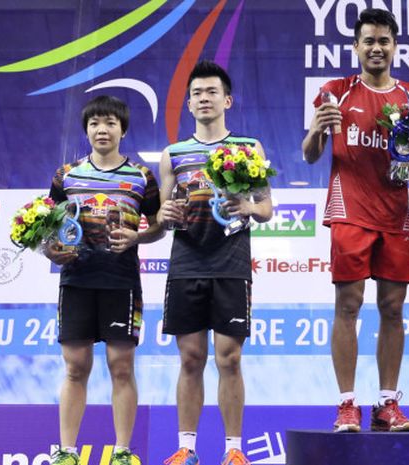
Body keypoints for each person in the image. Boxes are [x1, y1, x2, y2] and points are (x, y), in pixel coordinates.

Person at [302, 8, 409, 433]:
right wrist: (318, 128)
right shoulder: (335, 90)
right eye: (369, 41)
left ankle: (388, 404)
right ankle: (346, 405)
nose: (376, 48)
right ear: (356, 47)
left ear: (395, 47)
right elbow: (310, 154)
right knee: (348, 304)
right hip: (350, 211)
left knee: (393, 309)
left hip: (396, 212)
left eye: (384, 41)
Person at [158, 60, 273, 465]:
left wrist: (248, 205)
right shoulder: (173, 154)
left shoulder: (249, 148)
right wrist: (163, 216)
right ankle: (187, 448)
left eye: (211, 92)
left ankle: (234, 450)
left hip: (231, 263)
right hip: (187, 263)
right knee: (191, 358)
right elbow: (160, 216)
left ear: (227, 100)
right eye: (196, 94)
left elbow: (266, 209)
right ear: (188, 105)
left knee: (230, 358)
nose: (204, 99)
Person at [46, 95, 163, 465]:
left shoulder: (141, 176)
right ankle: (66, 452)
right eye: (95, 122)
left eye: (110, 122)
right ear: (87, 129)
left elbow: (160, 224)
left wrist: (139, 237)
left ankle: (123, 453)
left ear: (122, 130)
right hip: (76, 281)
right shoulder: (66, 176)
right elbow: (47, 229)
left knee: (121, 367)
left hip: (121, 281)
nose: (102, 129)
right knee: (76, 366)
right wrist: (50, 250)